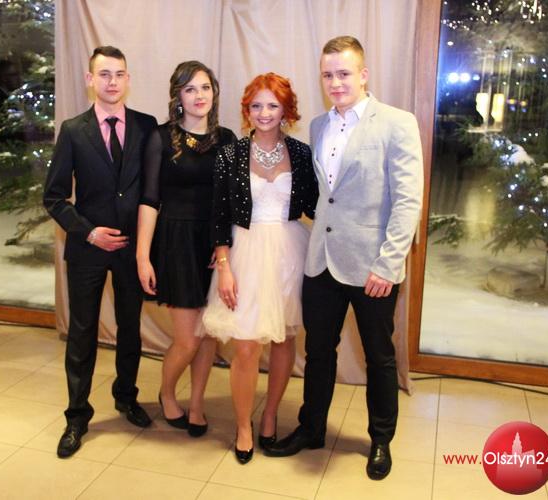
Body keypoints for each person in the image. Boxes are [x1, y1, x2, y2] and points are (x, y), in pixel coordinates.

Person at [263, 36, 423, 481]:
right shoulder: (318, 126)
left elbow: (408, 201)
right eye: (328, 75)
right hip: (322, 261)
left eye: (344, 74)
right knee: (318, 353)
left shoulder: (397, 123)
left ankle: (380, 439)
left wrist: (388, 264)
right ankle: (312, 428)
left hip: (373, 267)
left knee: (379, 357)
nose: (335, 83)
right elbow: (325, 197)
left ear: (363, 75)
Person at [43, 46, 158, 458]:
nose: (112, 81)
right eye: (104, 74)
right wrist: (89, 233)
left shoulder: (146, 126)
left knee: (130, 328)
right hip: (88, 248)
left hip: (131, 248)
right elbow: (54, 198)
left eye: (119, 74)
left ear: (128, 79)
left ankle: (126, 396)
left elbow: (153, 190)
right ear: (90, 80)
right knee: (82, 332)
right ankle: (77, 415)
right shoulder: (73, 130)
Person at [202, 73, 317, 464]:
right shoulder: (230, 154)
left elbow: (316, 205)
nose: (264, 113)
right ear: (246, 110)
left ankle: (269, 416)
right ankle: (243, 426)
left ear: (286, 110)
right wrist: (224, 266)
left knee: (284, 339)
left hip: (290, 251)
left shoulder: (301, 153)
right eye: (256, 106)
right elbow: (219, 213)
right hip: (244, 252)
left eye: (272, 105)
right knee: (247, 344)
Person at [136, 61, 235, 437]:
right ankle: (166, 393)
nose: (199, 95)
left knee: (208, 334)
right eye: (190, 89)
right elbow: (149, 200)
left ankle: (196, 404)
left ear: (214, 93)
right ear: (178, 96)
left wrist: (224, 248)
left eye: (205, 87)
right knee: (188, 338)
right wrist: (142, 255)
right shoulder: (160, 138)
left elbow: (232, 200)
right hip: (176, 243)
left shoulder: (227, 139)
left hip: (214, 246)